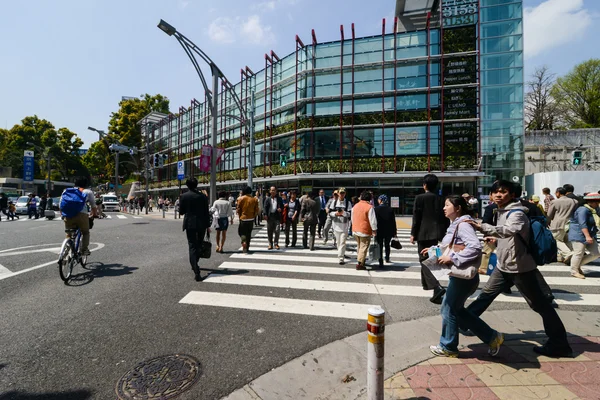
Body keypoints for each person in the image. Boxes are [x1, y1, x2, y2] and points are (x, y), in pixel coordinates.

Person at [467, 180, 573, 358]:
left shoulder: (516, 213)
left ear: (513, 195)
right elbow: (509, 237)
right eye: (496, 192)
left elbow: (509, 231)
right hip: (504, 265)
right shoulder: (501, 211)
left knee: (540, 305)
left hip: (519, 268)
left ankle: (559, 343)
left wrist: (482, 227)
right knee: (486, 295)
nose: (499, 195)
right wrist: (495, 240)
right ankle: (465, 321)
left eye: (503, 192)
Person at [426, 195, 504, 358]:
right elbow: (453, 245)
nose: (444, 208)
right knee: (457, 310)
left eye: (447, 205)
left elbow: (475, 247)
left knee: (448, 307)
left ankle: (448, 346)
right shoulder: (456, 224)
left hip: (463, 278)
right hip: (460, 277)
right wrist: (434, 249)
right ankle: (492, 337)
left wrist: (452, 258)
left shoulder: (463, 225)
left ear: (458, 208)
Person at [411, 174, 449, 304]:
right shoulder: (441, 198)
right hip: (437, 233)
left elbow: (416, 217)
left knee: (424, 260)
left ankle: (436, 287)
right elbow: (445, 217)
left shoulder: (420, 198)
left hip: (423, 233)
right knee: (432, 258)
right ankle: (428, 286)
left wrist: (413, 234)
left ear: (425, 185)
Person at [179, 178, 210, 282]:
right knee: (199, 244)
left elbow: (181, 212)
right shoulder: (203, 196)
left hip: (190, 223)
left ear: (187, 185)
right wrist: (208, 225)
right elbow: (206, 212)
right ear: (197, 185)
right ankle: (195, 263)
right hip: (202, 223)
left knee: (192, 245)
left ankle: (196, 269)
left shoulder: (184, 196)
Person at [61, 177, 97, 256]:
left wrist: (62, 214)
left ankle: (65, 252)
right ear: (85, 185)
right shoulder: (88, 192)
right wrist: (94, 214)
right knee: (85, 232)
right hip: (82, 215)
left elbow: (61, 204)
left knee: (69, 233)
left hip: (68, 215)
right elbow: (93, 206)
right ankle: (84, 250)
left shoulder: (66, 191)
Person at [568, 193, 600, 279]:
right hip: (579, 235)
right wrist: (587, 236)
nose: (597, 204)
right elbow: (582, 224)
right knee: (578, 253)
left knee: (596, 253)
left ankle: (577, 265)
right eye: (596, 202)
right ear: (590, 202)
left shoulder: (591, 210)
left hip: (588, 234)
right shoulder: (583, 210)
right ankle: (574, 271)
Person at [547, 187, 578, 264]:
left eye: (555, 193)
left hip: (557, 224)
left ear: (558, 193)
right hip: (570, 224)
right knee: (567, 240)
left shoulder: (554, 202)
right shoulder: (574, 201)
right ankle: (572, 254)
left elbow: (549, 215)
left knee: (556, 240)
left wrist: (546, 222)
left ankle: (568, 253)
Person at [352, 191, 378, 270]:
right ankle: (360, 263)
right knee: (363, 247)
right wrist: (374, 230)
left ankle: (360, 260)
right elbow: (372, 220)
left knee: (359, 246)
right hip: (365, 230)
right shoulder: (369, 207)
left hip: (355, 229)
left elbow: (352, 218)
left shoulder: (355, 206)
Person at [329, 188, 352, 265]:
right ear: (338, 193)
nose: (342, 194)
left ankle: (341, 257)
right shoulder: (334, 202)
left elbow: (350, 214)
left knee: (342, 242)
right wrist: (336, 213)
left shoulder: (348, 202)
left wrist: (343, 213)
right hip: (336, 226)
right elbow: (330, 212)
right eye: (340, 193)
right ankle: (341, 253)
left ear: (345, 194)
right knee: (338, 243)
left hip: (344, 226)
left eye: (343, 193)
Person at [374, 194, 397, 267]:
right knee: (387, 245)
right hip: (388, 230)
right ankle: (387, 258)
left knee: (380, 245)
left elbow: (374, 221)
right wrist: (394, 231)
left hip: (379, 230)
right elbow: (393, 221)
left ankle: (380, 261)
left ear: (380, 200)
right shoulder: (390, 209)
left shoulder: (376, 209)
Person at [237, 186, 259, 253]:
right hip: (251, 218)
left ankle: (244, 242)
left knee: (241, 232)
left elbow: (238, 209)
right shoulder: (254, 199)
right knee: (249, 233)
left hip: (243, 218)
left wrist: (239, 216)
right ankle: (247, 247)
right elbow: (256, 209)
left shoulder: (241, 199)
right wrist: (254, 216)